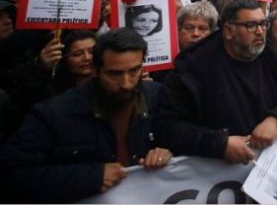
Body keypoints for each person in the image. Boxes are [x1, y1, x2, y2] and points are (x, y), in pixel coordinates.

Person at [0, 29, 171, 202]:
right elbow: (10, 173)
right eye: (114, 74)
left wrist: (167, 153)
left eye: (134, 71)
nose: (126, 83)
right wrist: (91, 177)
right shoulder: (56, 113)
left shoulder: (157, 97)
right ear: (95, 70)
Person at [155, 0, 277, 164]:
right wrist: (220, 144)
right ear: (229, 31)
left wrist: (275, 120)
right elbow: (168, 127)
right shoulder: (193, 68)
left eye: (263, 24)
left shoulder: (272, 58)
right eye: (251, 25)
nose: (260, 31)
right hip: (214, 173)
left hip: (269, 165)